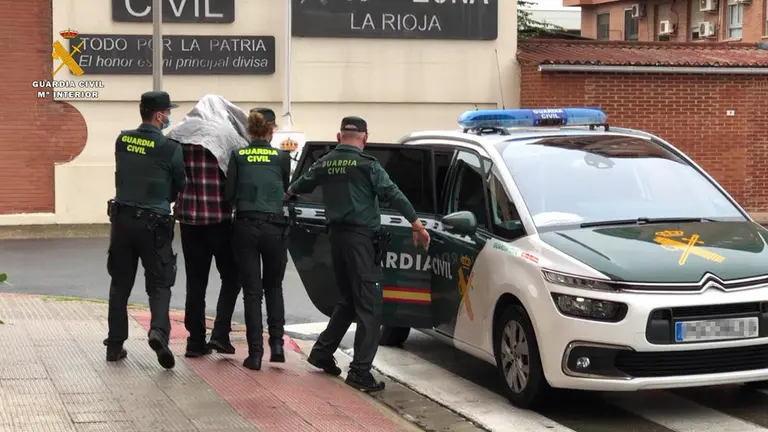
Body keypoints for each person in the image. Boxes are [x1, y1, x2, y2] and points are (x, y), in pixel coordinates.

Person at [286, 116, 430, 392]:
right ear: (365, 138)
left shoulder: (325, 161)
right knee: (371, 308)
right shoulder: (368, 165)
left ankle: (322, 352)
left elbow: (298, 186)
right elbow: (393, 193)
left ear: (339, 137)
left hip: (336, 240)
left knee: (349, 301)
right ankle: (360, 372)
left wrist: (285, 194)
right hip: (361, 241)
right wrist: (416, 223)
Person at [103, 91, 186, 370]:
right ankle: (158, 333)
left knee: (120, 284)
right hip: (154, 224)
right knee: (160, 284)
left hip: (122, 221)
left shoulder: (123, 139)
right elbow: (179, 185)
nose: (169, 117)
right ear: (159, 115)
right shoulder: (170, 147)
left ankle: (115, 345)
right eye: (167, 112)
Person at [225, 108, 292, 371]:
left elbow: (229, 194)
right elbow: (285, 189)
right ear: (272, 130)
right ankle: (277, 346)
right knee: (273, 286)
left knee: (252, 292)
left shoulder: (238, 156)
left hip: (245, 227)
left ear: (249, 131)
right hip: (275, 227)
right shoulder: (281, 157)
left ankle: (255, 354)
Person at [173, 130, 241, 358]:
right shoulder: (225, 140)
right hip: (220, 220)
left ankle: (195, 340)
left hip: (190, 221)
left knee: (195, 281)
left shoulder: (182, 141)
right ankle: (220, 333)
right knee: (232, 276)